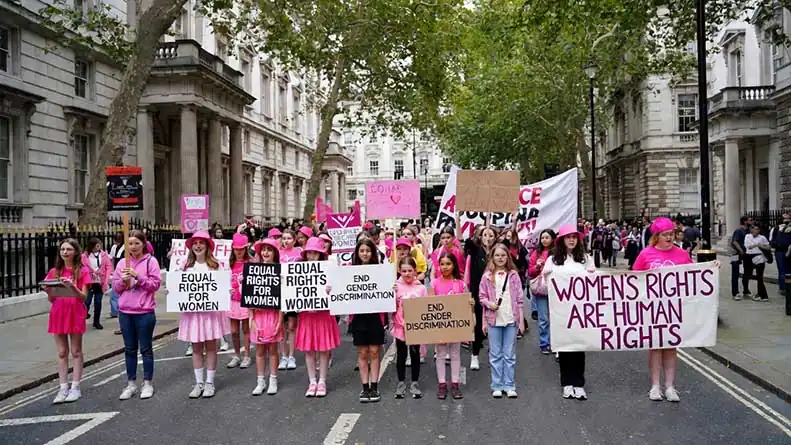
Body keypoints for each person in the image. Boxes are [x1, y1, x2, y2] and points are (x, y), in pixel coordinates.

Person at [632, 217, 699, 402]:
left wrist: (713, 267)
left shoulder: (681, 254)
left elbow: (696, 275)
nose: (669, 238)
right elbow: (633, 279)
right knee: (655, 347)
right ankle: (655, 386)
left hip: (674, 308)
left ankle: (670, 387)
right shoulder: (646, 254)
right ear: (656, 236)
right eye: (665, 235)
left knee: (670, 347)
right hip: (652, 308)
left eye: (672, 234)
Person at [542, 224, 595, 400]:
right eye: (568, 237)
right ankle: (567, 383)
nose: (571, 239)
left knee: (579, 345)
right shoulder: (553, 260)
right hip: (561, 312)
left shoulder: (586, 258)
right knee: (565, 346)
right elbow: (544, 286)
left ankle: (579, 383)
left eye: (574, 236)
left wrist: (593, 274)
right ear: (562, 240)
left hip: (580, 311)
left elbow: (594, 285)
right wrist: (546, 275)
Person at [177, 231, 230, 399]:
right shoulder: (185, 266)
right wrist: (172, 291)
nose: (198, 245)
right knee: (196, 348)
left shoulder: (216, 265)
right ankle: (199, 382)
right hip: (193, 314)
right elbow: (179, 287)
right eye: (195, 243)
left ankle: (210, 382)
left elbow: (223, 286)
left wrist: (227, 290)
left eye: (201, 242)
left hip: (211, 313)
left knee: (211, 347)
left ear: (207, 246)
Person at [112, 230, 161, 401]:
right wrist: (122, 281)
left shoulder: (151, 261)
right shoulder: (121, 264)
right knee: (129, 349)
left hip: (144, 312)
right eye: (130, 244)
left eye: (136, 243)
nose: (133, 247)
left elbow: (155, 285)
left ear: (143, 244)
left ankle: (147, 383)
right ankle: (131, 383)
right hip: (125, 312)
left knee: (146, 349)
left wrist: (138, 277)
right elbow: (116, 288)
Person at [44, 238, 91, 404]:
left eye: (68, 249)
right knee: (62, 352)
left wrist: (72, 286)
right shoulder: (54, 272)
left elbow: (83, 297)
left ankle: (75, 387)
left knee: (76, 351)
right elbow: (52, 299)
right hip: (58, 312)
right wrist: (47, 290)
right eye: (62, 249)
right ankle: (63, 387)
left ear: (76, 252)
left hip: (75, 312)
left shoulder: (83, 271)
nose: (65, 252)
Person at [479, 243, 525, 399]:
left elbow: (519, 298)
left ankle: (509, 384)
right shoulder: (486, 276)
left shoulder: (513, 275)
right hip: (493, 319)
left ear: (508, 257)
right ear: (492, 257)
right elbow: (481, 297)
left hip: (511, 318)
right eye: (497, 255)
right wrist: (488, 304)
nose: (500, 258)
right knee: (495, 354)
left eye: (503, 255)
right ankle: (497, 384)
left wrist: (521, 320)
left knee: (509, 354)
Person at [296, 237, 340, 397]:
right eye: (309, 253)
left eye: (315, 253)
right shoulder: (298, 270)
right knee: (308, 349)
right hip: (306, 315)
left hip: (323, 314)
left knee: (323, 349)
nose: (312, 256)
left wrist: (331, 289)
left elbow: (338, 291)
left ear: (321, 254)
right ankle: (312, 381)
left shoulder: (329, 269)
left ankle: (322, 381)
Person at [347, 239, 386, 403]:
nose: (365, 254)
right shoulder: (349, 271)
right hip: (358, 317)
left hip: (375, 316)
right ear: (357, 253)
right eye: (362, 250)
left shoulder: (380, 271)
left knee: (375, 352)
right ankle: (365, 387)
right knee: (363, 352)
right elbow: (342, 289)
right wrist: (331, 289)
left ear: (373, 253)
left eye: (368, 251)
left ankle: (375, 386)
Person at [432, 252, 472, 400]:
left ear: (454, 265)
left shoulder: (461, 284)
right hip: (440, 325)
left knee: (455, 354)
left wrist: (470, 304)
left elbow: (466, 302)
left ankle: (455, 384)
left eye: (448, 264)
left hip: (456, 325)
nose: (445, 267)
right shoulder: (434, 283)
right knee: (441, 354)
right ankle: (442, 384)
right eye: (442, 264)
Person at [250, 238, 284, 395]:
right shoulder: (253, 271)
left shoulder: (280, 271)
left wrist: (280, 319)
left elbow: (283, 297)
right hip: (258, 316)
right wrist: (251, 319)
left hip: (273, 316)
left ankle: (273, 379)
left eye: (269, 250)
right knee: (259, 351)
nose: (265, 253)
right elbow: (249, 297)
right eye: (263, 249)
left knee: (272, 350)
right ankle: (260, 380)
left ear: (275, 253)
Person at [391, 257, 428, 399]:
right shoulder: (395, 286)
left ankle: (414, 382)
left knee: (414, 354)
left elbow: (426, 308)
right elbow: (391, 307)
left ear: (415, 271)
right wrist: (391, 293)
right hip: (400, 327)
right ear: (399, 271)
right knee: (400, 355)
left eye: (410, 271)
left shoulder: (421, 288)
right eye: (404, 271)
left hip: (415, 327)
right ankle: (400, 382)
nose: (407, 274)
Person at [464, 225, 497, 370]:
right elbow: (467, 242)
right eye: (485, 235)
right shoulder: (475, 250)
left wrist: (514, 222)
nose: (488, 238)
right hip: (477, 293)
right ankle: (475, 355)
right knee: (477, 325)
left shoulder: (498, 252)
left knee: (495, 325)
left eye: (491, 235)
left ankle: (495, 354)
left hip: (495, 295)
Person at [528, 229, 556, 354]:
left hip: (556, 289)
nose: (544, 240)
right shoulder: (536, 253)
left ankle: (556, 343)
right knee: (543, 318)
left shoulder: (558, 253)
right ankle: (544, 343)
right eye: (542, 237)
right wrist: (537, 267)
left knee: (557, 318)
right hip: (541, 290)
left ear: (552, 239)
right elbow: (530, 272)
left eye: (547, 237)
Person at [227, 233, 253, 369]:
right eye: (236, 249)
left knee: (246, 329)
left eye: (241, 249)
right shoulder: (229, 263)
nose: (239, 252)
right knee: (234, 331)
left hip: (245, 300)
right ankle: (237, 355)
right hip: (232, 301)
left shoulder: (251, 262)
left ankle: (247, 355)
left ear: (245, 249)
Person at [278, 228, 302, 370]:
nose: (286, 241)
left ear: (294, 240)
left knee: (292, 326)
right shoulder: (278, 254)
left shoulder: (299, 253)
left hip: (294, 293)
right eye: (284, 238)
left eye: (289, 238)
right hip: (280, 293)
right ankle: (284, 356)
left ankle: (291, 356)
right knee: (281, 326)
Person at [82, 237, 112, 330]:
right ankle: (82, 318)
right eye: (97, 245)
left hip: (100, 282)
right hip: (89, 282)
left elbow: (108, 267)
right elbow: (82, 267)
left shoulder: (103, 255)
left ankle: (96, 321)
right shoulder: (85, 256)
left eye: (100, 245)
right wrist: (91, 272)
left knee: (98, 302)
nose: (99, 247)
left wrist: (106, 281)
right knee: (87, 301)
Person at [744, 224, 771, 302]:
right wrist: (757, 244)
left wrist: (762, 246)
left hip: (759, 256)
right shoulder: (747, 236)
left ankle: (763, 295)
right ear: (751, 230)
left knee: (760, 276)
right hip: (749, 256)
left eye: (757, 229)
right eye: (754, 229)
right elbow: (748, 246)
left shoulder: (762, 237)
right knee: (747, 274)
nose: (755, 231)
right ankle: (746, 290)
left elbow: (768, 247)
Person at [769, 213, 791, 292]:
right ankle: (783, 287)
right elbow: (771, 240)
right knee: (782, 270)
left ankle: (788, 286)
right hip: (779, 251)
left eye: (789, 219)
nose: (787, 221)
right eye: (785, 219)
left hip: (789, 251)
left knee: (788, 271)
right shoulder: (775, 229)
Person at [730, 216, 751, 300]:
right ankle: (735, 292)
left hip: (746, 254)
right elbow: (734, 242)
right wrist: (741, 250)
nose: (751, 221)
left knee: (747, 272)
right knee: (735, 273)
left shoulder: (748, 231)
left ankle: (746, 290)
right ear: (745, 222)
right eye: (749, 220)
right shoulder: (739, 230)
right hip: (736, 254)